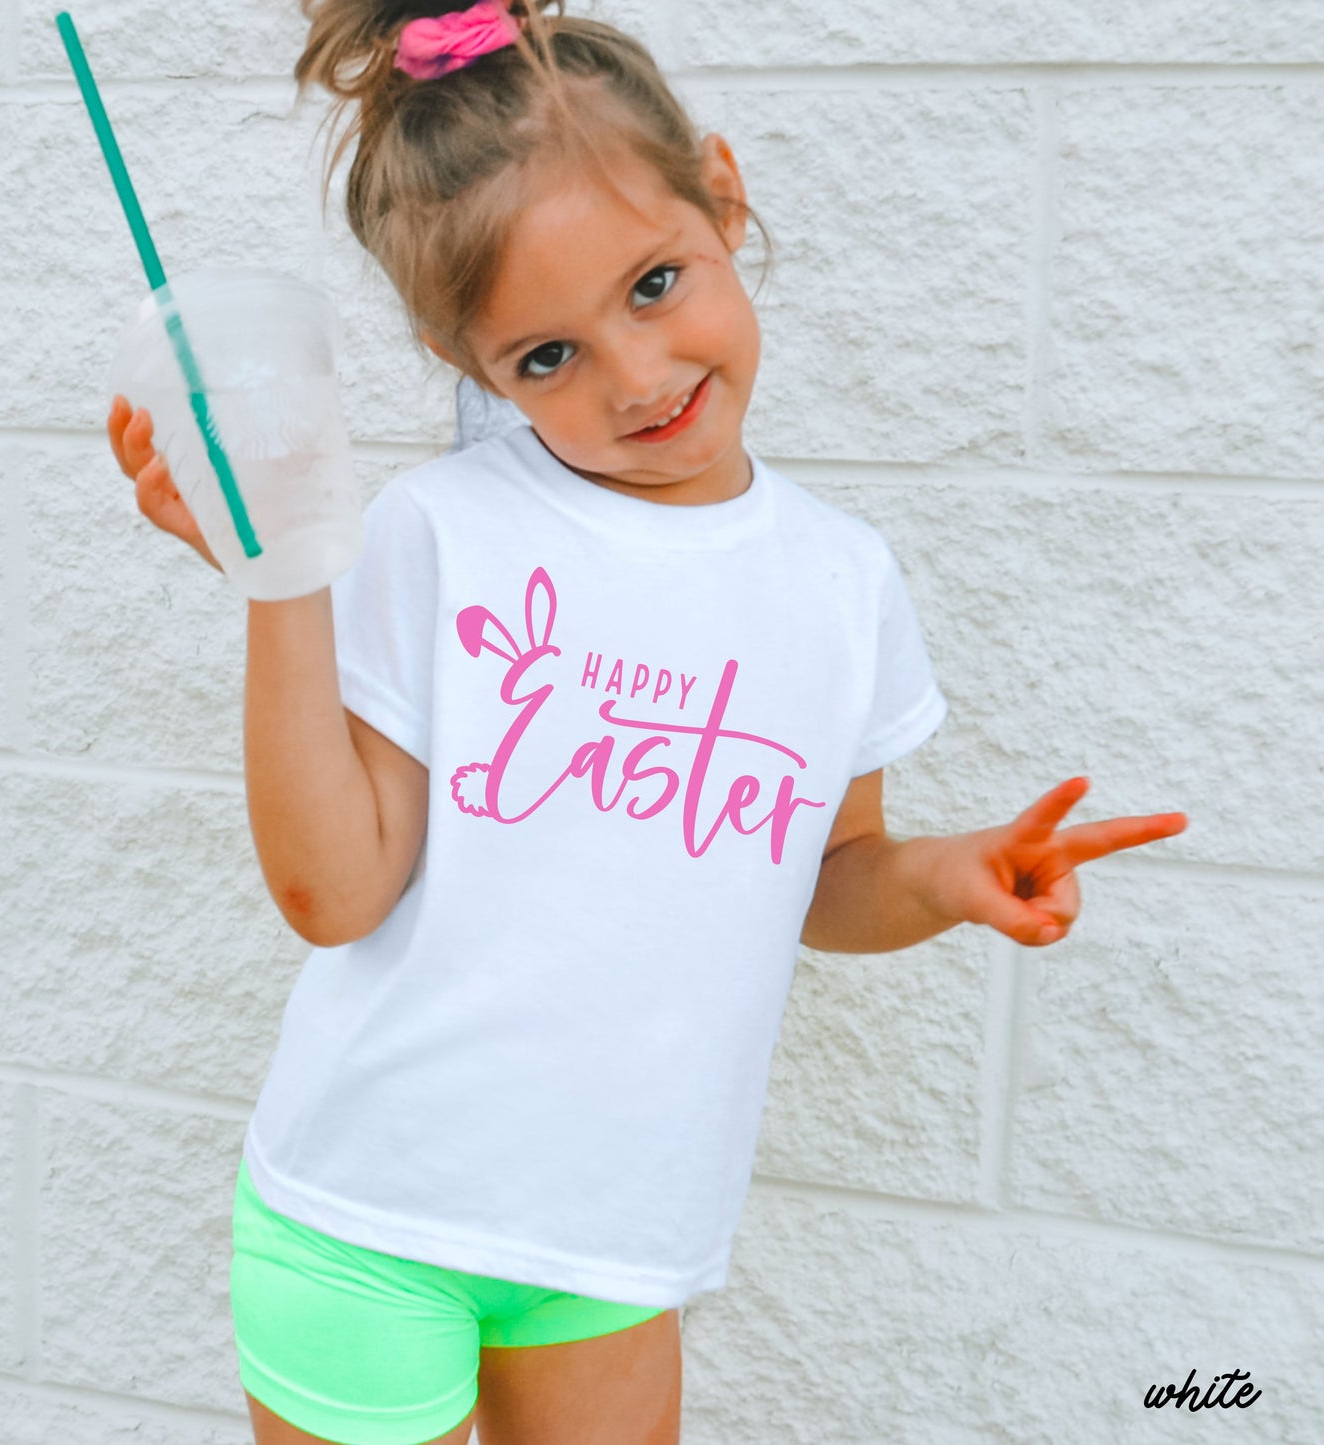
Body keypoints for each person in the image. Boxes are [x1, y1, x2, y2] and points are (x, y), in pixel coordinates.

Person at [107, 3, 1189, 1441]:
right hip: (369, 1219)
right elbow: (334, 893)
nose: (634, 377)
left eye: (655, 283)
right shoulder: (441, 531)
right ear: (464, 359)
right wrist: (282, 576)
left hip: (611, 1247)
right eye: (544, 356)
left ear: (723, 198)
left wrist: (946, 876)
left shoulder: (840, 580)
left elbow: (825, 876)